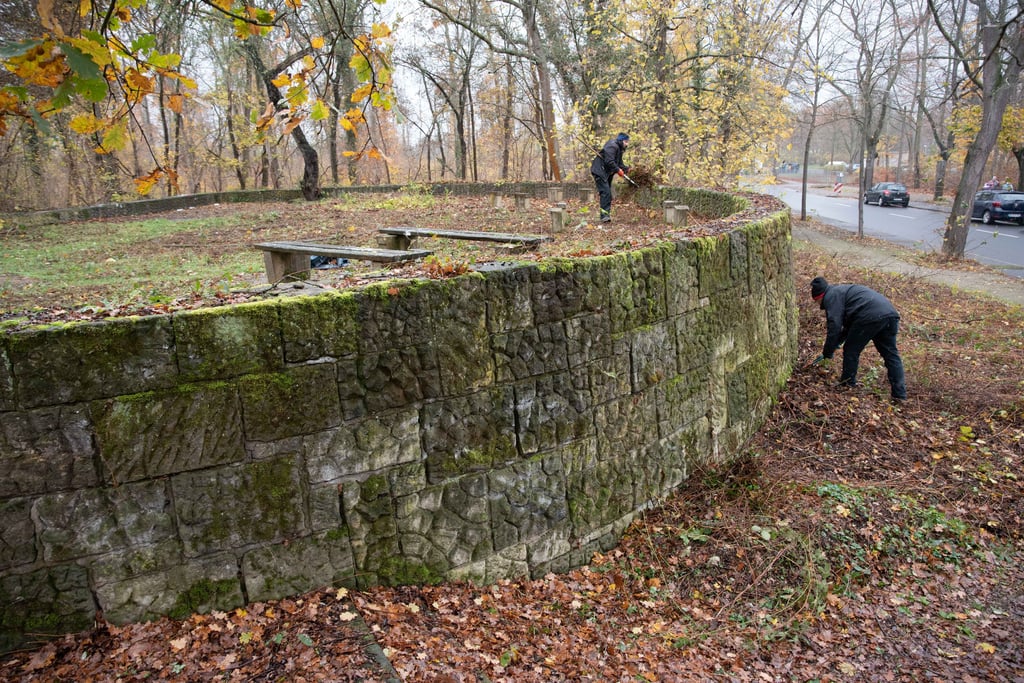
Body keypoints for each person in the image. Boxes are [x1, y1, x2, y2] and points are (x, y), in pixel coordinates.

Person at [810, 276, 907, 402]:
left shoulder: (831, 296)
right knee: (891, 355)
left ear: (819, 296)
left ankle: (847, 384)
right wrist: (836, 343)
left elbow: (834, 326)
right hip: (889, 314)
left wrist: (827, 352)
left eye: (817, 302)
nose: (819, 306)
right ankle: (899, 395)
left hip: (869, 316)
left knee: (851, 350)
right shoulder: (842, 292)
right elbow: (848, 326)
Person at [590, 132, 630, 223]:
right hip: (600, 171)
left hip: (607, 172)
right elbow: (609, 161)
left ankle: (605, 215)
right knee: (606, 193)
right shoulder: (612, 146)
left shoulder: (619, 149)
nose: (627, 144)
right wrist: (618, 170)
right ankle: (604, 216)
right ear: (621, 140)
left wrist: (627, 169)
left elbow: (619, 163)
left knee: (608, 194)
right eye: (626, 142)